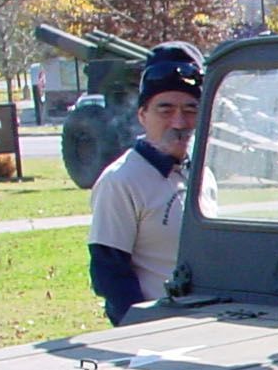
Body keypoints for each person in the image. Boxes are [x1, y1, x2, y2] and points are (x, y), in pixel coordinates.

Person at [87, 42, 203, 324]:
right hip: (158, 333)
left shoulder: (204, 173)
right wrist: (143, 334)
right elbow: (109, 277)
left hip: (209, 325)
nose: (179, 122)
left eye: (190, 109)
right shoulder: (121, 181)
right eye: (165, 110)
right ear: (142, 115)